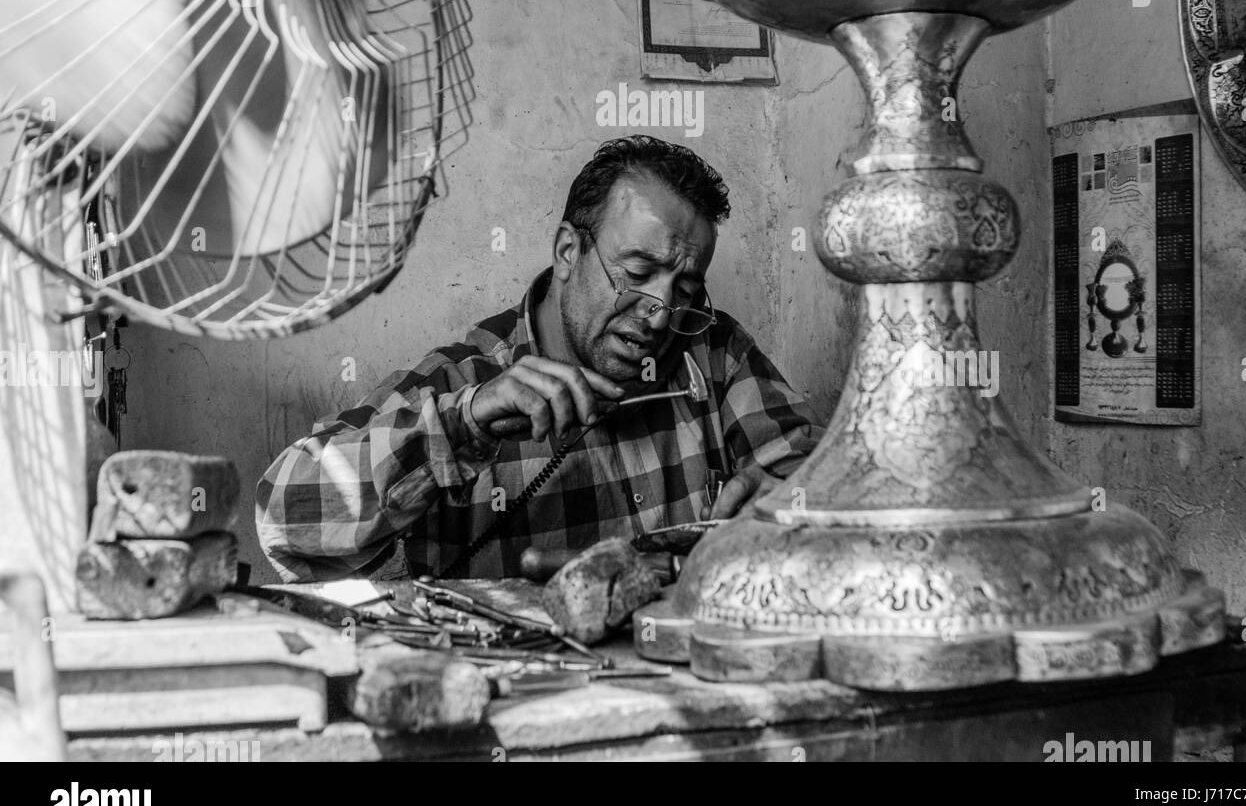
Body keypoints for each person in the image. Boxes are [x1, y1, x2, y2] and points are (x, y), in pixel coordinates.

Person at [256, 136, 822, 581]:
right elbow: (282, 521)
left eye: (684, 288)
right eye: (637, 273)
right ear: (568, 251)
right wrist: (461, 425)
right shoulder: (468, 378)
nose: (659, 312)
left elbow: (820, 471)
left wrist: (792, 500)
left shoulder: (713, 354)